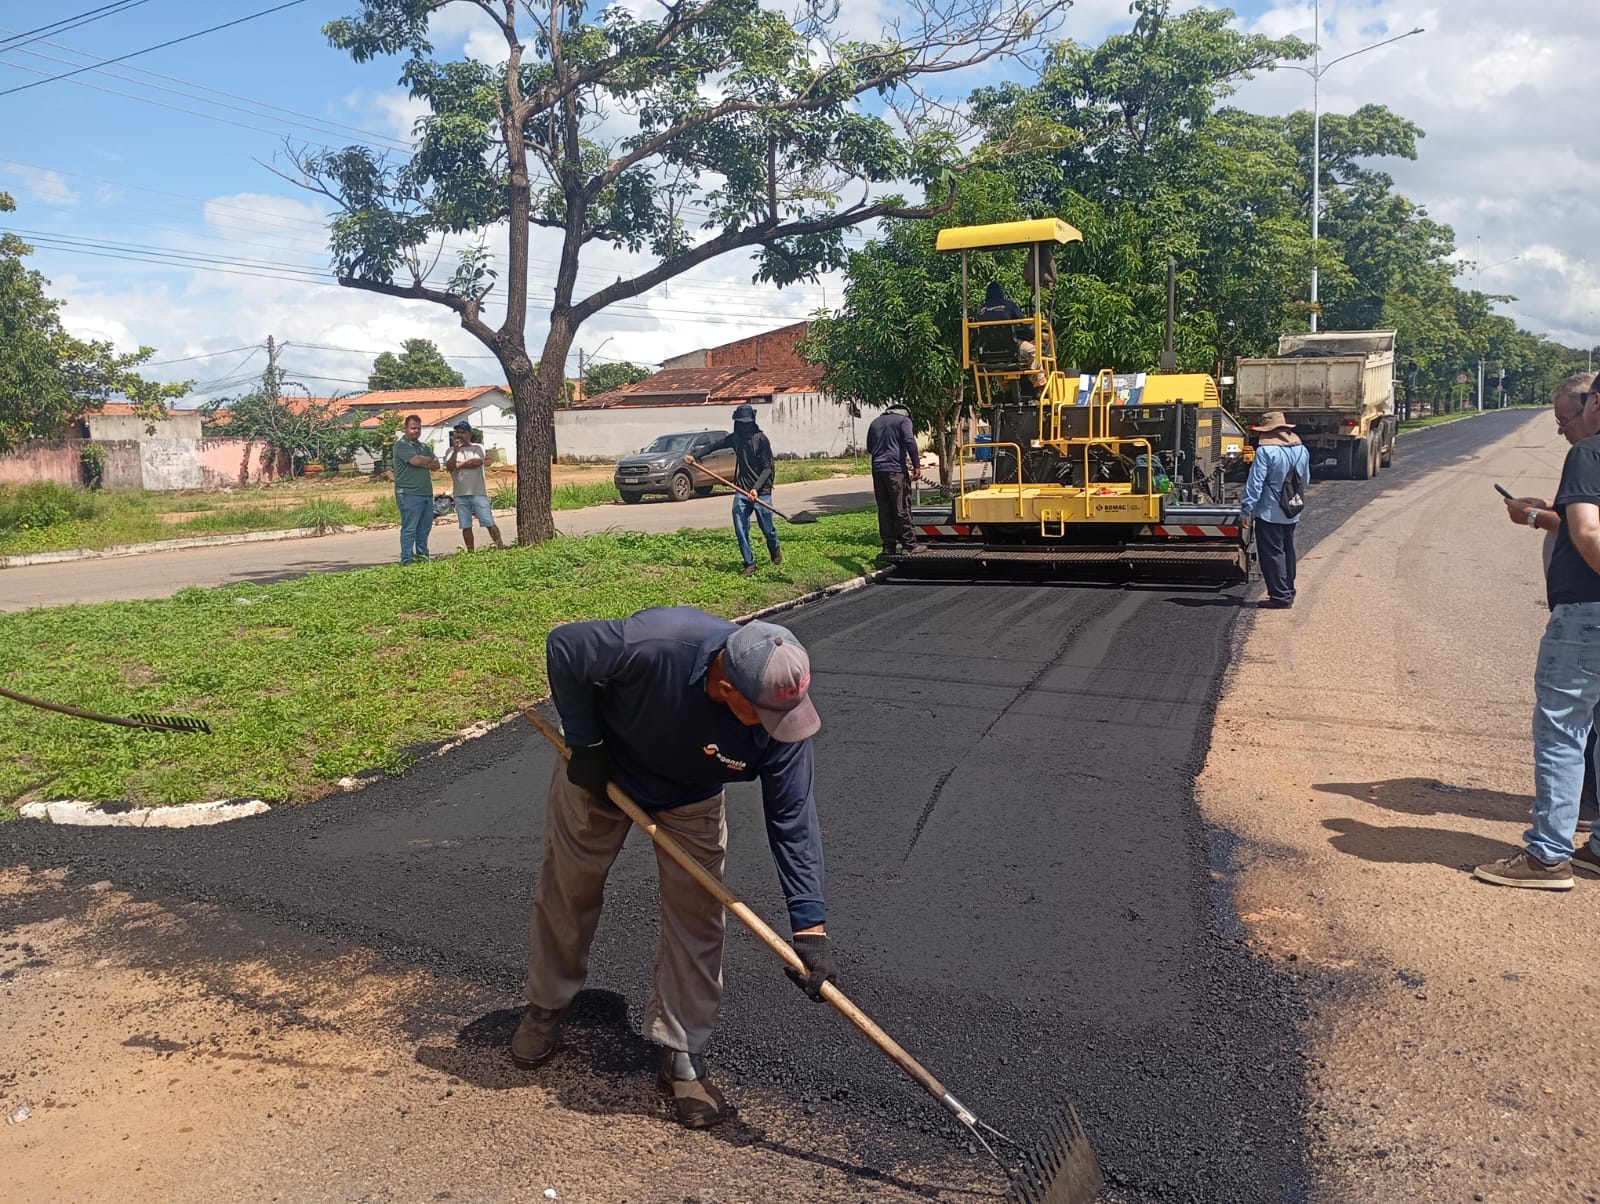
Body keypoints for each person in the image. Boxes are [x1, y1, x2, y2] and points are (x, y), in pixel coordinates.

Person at [516, 606, 837, 1129]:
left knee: (699, 914)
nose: (781, 729)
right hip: (604, 772)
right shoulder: (660, 643)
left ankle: (682, 1047)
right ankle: (547, 1004)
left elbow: (793, 821)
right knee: (570, 887)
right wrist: (585, 740)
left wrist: (810, 927)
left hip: (692, 797)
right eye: (766, 714)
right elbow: (565, 646)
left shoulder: (782, 727)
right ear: (727, 684)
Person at [1476, 374, 1600, 889]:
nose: (1565, 429)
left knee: (1562, 730)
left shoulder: (1590, 454)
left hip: (1586, 614)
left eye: (1570, 415)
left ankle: (1547, 857)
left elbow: (1588, 531)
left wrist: (1533, 520)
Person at [693, 404, 779, 578]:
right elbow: (715, 446)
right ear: (737, 423)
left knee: (767, 528)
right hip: (741, 488)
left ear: (752, 422)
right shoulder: (735, 438)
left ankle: (774, 546)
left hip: (762, 490)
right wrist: (694, 456)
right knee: (740, 527)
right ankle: (749, 563)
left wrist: (756, 489)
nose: (744, 426)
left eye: (747, 423)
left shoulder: (761, 439)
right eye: (741, 423)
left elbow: (767, 469)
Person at [1238, 411, 1311, 609]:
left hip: (1269, 511)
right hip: (1292, 510)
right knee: (1288, 551)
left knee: (1272, 554)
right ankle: (1288, 590)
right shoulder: (1301, 450)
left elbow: (1255, 483)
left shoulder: (1265, 452)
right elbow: (1305, 480)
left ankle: (1280, 596)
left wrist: (1246, 510)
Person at [865, 403, 923, 562]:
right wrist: (916, 464)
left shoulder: (875, 422)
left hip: (878, 470)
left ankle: (888, 546)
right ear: (906, 414)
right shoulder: (904, 421)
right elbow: (909, 440)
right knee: (901, 507)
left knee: (884, 509)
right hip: (896, 471)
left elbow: (870, 448)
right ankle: (909, 545)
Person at [443, 421, 504, 551]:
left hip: (478, 492)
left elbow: (477, 462)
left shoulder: (477, 447)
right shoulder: (450, 451)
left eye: (463, 432)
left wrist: (459, 464)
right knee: (466, 526)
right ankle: (471, 551)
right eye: (457, 432)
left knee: (488, 522)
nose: (459, 435)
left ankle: (500, 546)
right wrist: (456, 452)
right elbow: (449, 466)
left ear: (469, 434)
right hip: (460, 494)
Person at [392, 413, 440, 564]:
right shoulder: (401, 445)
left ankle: (423, 557)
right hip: (408, 493)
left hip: (426, 493)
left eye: (418, 428)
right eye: (413, 428)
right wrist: (426, 460)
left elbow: (437, 465)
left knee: (424, 529)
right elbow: (415, 461)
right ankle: (406, 559)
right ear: (405, 428)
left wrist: (424, 460)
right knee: (410, 529)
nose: (416, 431)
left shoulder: (423, 446)